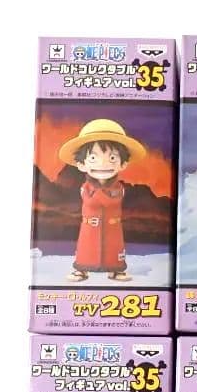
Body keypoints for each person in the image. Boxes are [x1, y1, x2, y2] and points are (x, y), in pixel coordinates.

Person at [56, 118, 147, 282]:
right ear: (81, 164)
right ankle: (81, 270)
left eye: (112, 158)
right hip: (89, 227)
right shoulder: (85, 187)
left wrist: (98, 196)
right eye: (93, 158)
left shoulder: (118, 188)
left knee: (114, 250)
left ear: (123, 164)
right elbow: (90, 202)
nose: (103, 164)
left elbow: (111, 202)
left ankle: (116, 270)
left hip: (112, 227)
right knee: (86, 249)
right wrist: (99, 196)